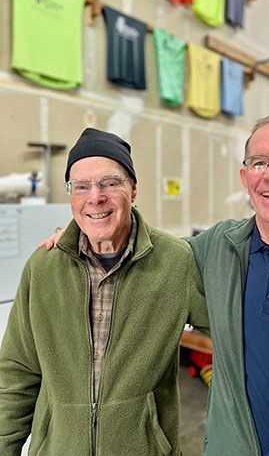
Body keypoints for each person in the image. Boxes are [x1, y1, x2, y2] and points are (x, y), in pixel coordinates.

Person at [36, 116, 269, 455]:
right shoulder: (217, 250)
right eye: (259, 162)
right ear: (245, 178)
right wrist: (80, 232)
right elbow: (146, 252)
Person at [0, 128, 209, 455]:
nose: (95, 197)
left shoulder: (175, 262)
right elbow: (16, 376)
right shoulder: (43, 269)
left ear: (133, 189)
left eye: (110, 183)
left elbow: (235, 339)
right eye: (81, 186)